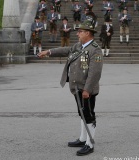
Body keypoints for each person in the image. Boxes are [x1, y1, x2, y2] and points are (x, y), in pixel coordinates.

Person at [38, 18, 103, 156]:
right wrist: (48, 52)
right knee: (82, 113)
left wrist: (87, 89)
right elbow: (65, 50)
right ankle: (82, 139)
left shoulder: (95, 50)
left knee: (89, 115)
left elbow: (95, 72)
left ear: (88, 33)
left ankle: (89, 144)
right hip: (76, 87)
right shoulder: (79, 46)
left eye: (80, 32)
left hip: (86, 89)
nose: (77, 34)